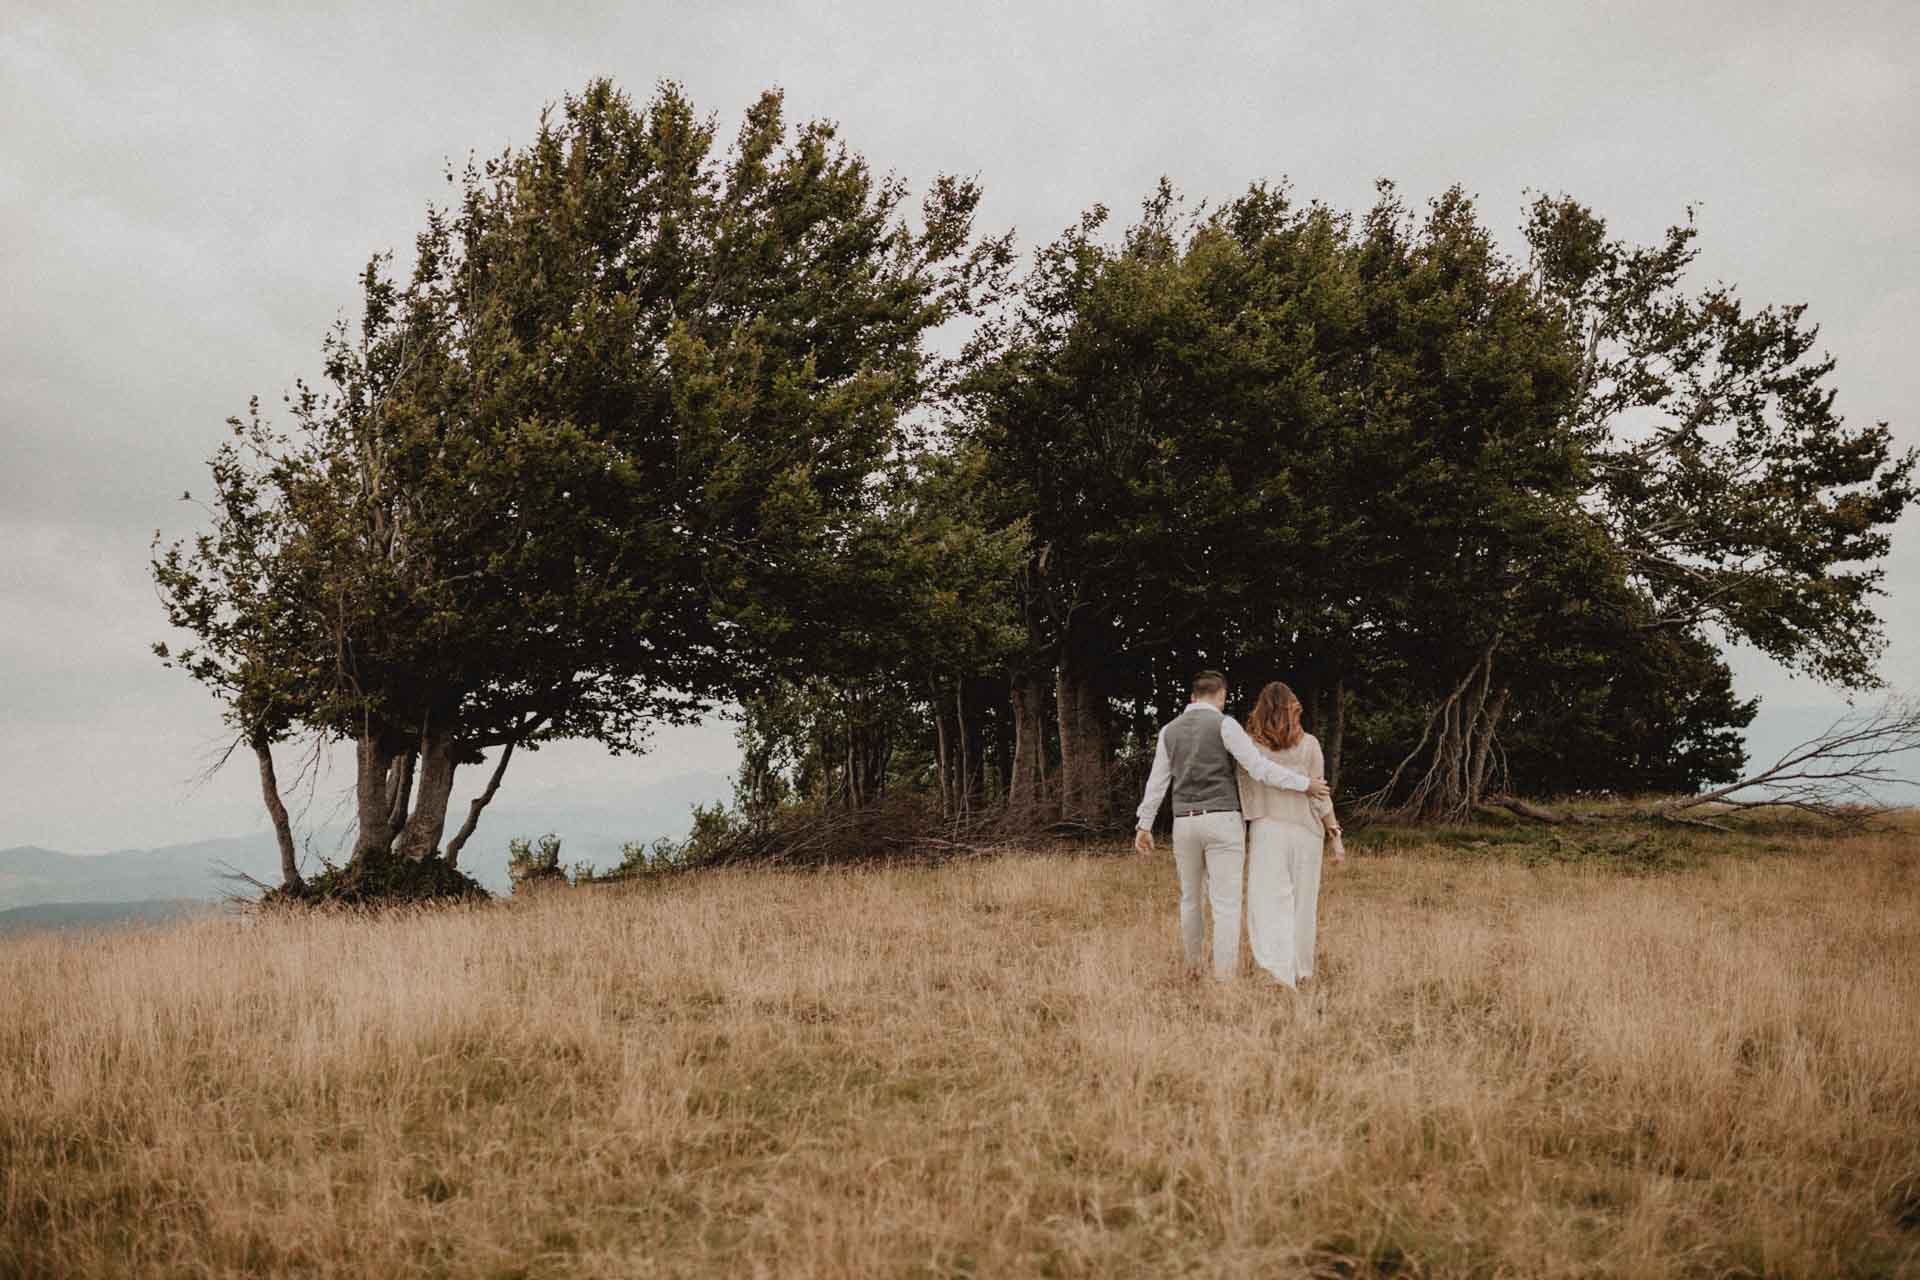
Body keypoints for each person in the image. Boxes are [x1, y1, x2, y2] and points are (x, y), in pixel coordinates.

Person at [1134, 671, 1332, 980]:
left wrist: (1144, 824)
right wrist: (1304, 783)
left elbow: (1157, 782)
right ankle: (1224, 976)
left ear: (1192, 697)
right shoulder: (1225, 725)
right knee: (1225, 903)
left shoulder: (1168, 731)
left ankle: (1193, 966)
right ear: (1222, 695)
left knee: (1190, 898)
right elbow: (1259, 768)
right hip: (1223, 820)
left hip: (1184, 822)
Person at [1236, 681, 1344, 988]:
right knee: (1303, 902)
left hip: (1267, 828)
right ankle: (1302, 970)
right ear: (1293, 709)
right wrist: (1334, 835)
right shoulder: (1309, 744)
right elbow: (1319, 794)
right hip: (1306, 831)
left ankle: (1276, 966)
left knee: (1269, 901)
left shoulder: (1249, 746)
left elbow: (1245, 786)